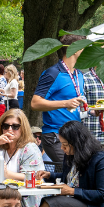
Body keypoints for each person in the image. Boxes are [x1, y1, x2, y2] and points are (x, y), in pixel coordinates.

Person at [30, 34, 88, 168]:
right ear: (74, 49)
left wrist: (89, 111)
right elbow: (35, 103)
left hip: (75, 134)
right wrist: (65, 103)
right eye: (84, 48)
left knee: (73, 174)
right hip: (55, 134)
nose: (87, 52)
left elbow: (76, 103)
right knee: (69, 170)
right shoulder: (52, 73)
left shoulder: (79, 74)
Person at [0, 109, 45, 207]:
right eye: (6, 126)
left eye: (15, 127)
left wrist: (8, 174)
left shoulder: (30, 148)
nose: (10, 130)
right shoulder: (0, 147)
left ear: (23, 128)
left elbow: (34, 177)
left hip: (23, 201)